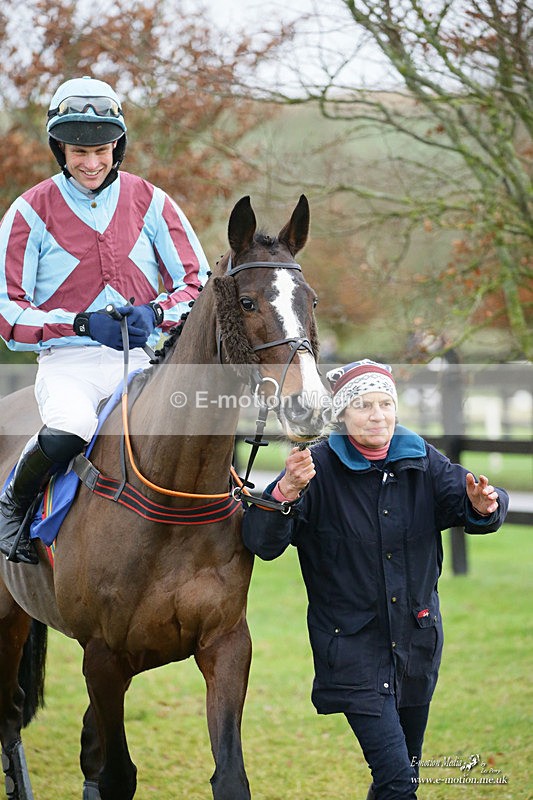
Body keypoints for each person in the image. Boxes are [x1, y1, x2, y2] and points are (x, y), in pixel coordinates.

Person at [242, 359, 509, 800]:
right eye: (363, 405)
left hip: (416, 644)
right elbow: (261, 541)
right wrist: (284, 493)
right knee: (399, 780)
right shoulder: (316, 467)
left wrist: (484, 507)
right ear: (342, 416)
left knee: (402, 778)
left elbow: (471, 501)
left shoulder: (422, 459)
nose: (377, 414)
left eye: (385, 403)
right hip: (352, 648)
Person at [0, 75, 210, 564]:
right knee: (71, 425)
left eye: (102, 150)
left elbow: (198, 288)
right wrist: (77, 325)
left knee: (183, 430)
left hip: (139, 359)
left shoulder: (154, 202)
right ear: (59, 148)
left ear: (119, 146)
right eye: (78, 151)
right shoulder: (29, 211)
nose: (91, 163)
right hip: (66, 363)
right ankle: (12, 505)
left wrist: (156, 313)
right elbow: (8, 315)